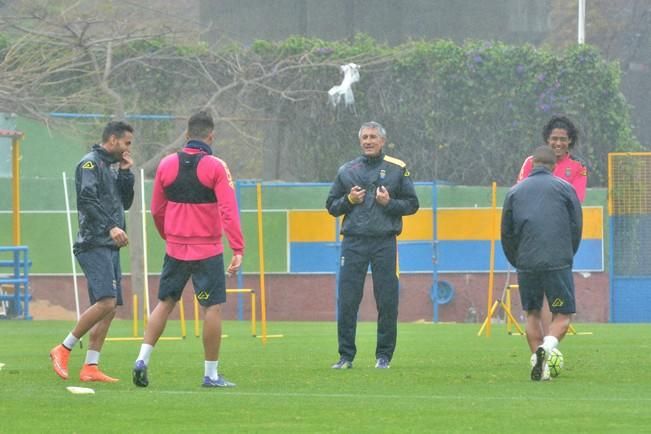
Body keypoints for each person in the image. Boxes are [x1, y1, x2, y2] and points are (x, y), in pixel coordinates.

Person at [132, 111, 244, 388]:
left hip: (175, 251)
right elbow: (228, 210)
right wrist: (237, 248)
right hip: (206, 254)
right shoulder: (216, 167)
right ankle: (211, 374)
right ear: (211, 136)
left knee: (165, 302)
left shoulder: (166, 165)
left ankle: (142, 359)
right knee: (210, 307)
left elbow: (157, 209)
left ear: (186, 135)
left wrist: (168, 235)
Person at [325, 121, 419, 369]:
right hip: (353, 243)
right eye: (364, 137)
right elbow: (332, 207)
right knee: (347, 300)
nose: (368, 141)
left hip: (384, 243)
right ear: (360, 141)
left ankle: (383, 357)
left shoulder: (398, 169)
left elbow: (412, 204)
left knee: (387, 300)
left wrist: (389, 203)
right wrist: (349, 199)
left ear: (382, 141)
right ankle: (346, 357)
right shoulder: (347, 170)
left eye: (373, 137)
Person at [49, 121, 135, 383]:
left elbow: (126, 202)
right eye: (127, 143)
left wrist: (126, 174)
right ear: (112, 139)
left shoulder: (112, 166)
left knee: (109, 309)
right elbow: (86, 199)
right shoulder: (89, 163)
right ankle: (63, 348)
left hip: (109, 245)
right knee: (106, 302)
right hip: (93, 243)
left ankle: (91, 367)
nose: (129, 148)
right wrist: (111, 227)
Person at [501, 146, 582, 381]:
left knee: (533, 314)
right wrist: (568, 253)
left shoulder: (514, 192)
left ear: (533, 164)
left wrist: (517, 260)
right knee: (563, 315)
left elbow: (506, 232)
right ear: (554, 166)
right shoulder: (565, 189)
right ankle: (546, 348)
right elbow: (576, 225)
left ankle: (541, 367)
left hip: (526, 262)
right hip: (557, 261)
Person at [517, 115, 588, 202]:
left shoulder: (579, 166)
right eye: (554, 139)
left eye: (563, 139)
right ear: (548, 139)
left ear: (570, 140)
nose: (558, 143)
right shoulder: (531, 161)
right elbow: (521, 192)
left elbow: (577, 198)